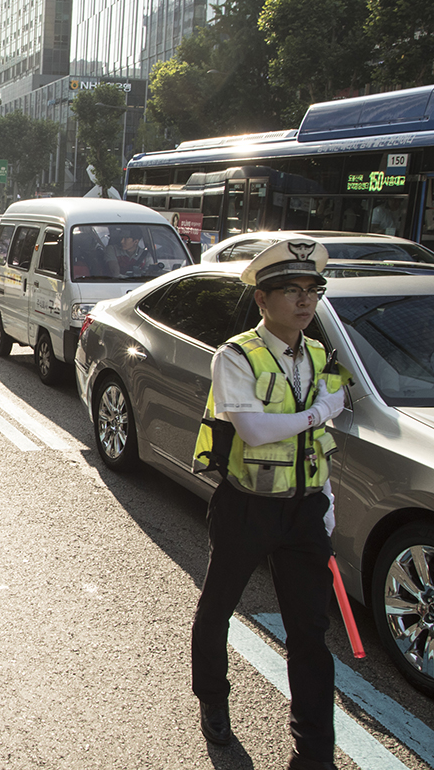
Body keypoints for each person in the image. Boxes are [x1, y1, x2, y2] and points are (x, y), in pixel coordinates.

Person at [191, 238, 347, 770]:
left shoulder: (320, 353)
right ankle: (213, 699)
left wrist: (325, 497)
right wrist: (318, 411)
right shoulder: (235, 355)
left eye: (312, 290)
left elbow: (321, 432)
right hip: (247, 507)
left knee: (310, 633)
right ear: (262, 300)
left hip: (303, 511)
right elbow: (255, 431)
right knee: (217, 610)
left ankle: (313, 755)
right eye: (290, 291)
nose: (305, 301)